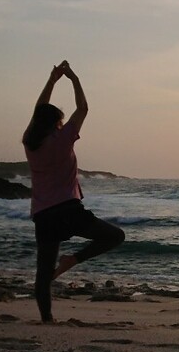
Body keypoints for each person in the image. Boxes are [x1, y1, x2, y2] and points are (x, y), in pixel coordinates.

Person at [23, 61, 125, 323]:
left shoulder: (30, 142)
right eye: (60, 120)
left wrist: (52, 80)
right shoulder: (62, 138)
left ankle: (47, 319)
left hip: (44, 215)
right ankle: (73, 260)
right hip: (68, 210)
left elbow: (38, 111)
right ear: (56, 123)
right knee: (115, 236)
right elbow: (83, 108)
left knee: (43, 272)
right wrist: (73, 78)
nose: (62, 123)